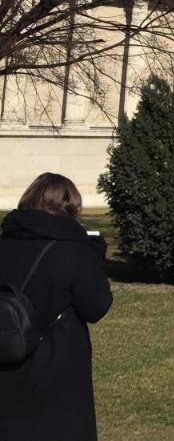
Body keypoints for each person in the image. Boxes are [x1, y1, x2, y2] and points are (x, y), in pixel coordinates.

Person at [0, 173, 112, 440]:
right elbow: (97, 306)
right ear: (69, 207)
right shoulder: (73, 249)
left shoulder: (5, 241)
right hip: (57, 373)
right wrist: (93, 258)